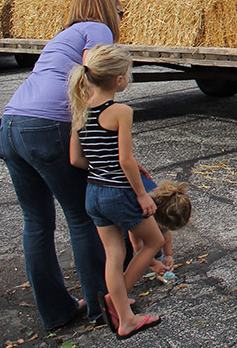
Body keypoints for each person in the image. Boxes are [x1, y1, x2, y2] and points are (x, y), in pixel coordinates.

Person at [0, 0, 120, 330]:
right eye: (117, 8)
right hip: (47, 126)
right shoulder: (97, 28)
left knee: (36, 223)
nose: (120, 14)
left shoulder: (63, 35)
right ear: (104, 9)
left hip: (10, 123)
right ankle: (103, 306)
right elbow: (94, 76)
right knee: (82, 216)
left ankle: (55, 311)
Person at [68, 44, 163, 339]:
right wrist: (142, 195)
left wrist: (104, 166)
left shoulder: (81, 107)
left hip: (93, 192)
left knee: (113, 253)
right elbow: (124, 159)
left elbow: (76, 159)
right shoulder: (121, 111)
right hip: (118, 192)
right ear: (118, 80)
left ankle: (120, 307)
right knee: (153, 241)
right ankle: (122, 311)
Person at [129, 178, 192, 284]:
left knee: (155, 236)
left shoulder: (164, 201)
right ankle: (126, 272)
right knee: (122, 244)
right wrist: (154, 264)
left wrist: (168, 255)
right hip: (113, 201)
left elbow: (165, 232)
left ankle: (155, 261)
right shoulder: (140, 211)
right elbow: (137, 244)